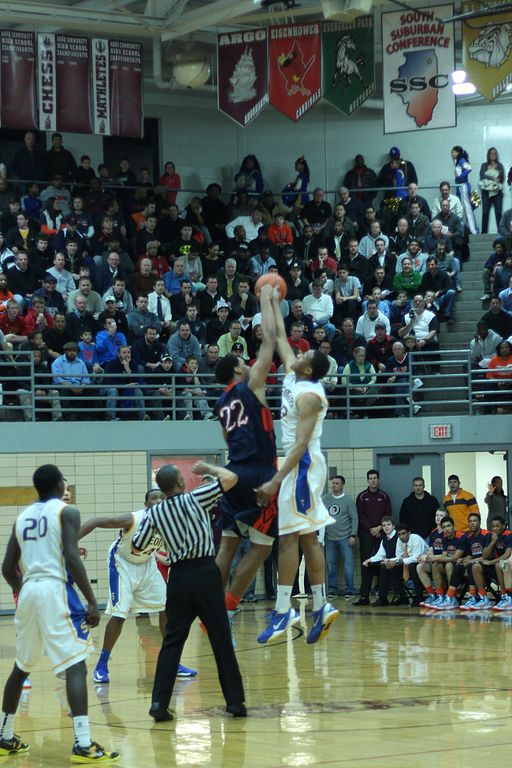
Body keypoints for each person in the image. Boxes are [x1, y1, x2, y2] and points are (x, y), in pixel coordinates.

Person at [0, 464, 118, 761]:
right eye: (64, 481)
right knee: (76, 665)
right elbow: (70, 557)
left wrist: (26, 589)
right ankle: (83, 742)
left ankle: (4, 735)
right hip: (54, 590)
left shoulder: (22, 517)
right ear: (57, 484)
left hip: (28, 591)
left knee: (21, 666)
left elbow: (6, 568)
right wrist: (92, 601)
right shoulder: (67, 511)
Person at [131, 461, 246, 722]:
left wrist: (167, 542)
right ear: (181, 483)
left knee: (172, 642)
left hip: (179, 576)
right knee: (220, 638)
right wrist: (209, 468)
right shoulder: (196, 498)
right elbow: (232, 478)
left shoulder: (154, 513)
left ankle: (159, 703)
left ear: (160, 488)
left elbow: (138, 545)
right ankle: (235, 702)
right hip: (205, 573)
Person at [255, 290, 338, 645]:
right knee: (306, 537)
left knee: (288, 537)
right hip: (299, 463)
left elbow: (302, 445)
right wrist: (270, 301)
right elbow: (276, 337)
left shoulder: (309, 396)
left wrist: (275, 480)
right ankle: (320, 605)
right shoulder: (295, 374)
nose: (298, 352)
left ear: (308, 369)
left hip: (301, 463)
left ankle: (283, 610)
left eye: (303, 355)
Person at [212, 285, 278, 636]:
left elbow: (227, 441)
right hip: (259, 472)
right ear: (238, 371)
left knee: (228, 544)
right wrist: (266, 301)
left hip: (233, 472)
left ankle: (210, 605)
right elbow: (269, 341)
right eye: (243, 361)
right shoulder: (251, 384)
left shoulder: (221, 404)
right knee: (262, 547)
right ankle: (229, 607)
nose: (247, 362)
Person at [79, 489, 196, 685]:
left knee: (167, 608)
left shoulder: (169, 522)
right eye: (153, 498)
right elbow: (96, 521)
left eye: (161, 497)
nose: (158, 500)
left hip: (147, 564)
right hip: (122, 563)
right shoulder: (133, 519)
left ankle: (173, 663)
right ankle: (101, 665)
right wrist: (68, 542)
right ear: (146, 504)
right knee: (120, 614)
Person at [354, 469, 392, 605]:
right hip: (366, 535)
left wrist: (379, 527)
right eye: (370, 478)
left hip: (382, 534)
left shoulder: (384, 496)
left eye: (375, 478)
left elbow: (388, 514)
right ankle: (364, 596)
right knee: (366, 564)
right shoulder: (362, 496)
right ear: (367, 480)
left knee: (382, 563)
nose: (373, 480)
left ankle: (381, 596)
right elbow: (360, 514)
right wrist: (371, 528)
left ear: (378, 480)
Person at [323, 476, 357, 598]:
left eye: (337, 483)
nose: (334, 485)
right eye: (333, 483)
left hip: (345, 537)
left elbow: (354, 518)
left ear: (342, 485)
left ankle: (350, 589)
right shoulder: (325, 499)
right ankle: (332, 589)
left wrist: (353, 534)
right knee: (331, 564)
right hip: (330, 538)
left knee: (348, 564)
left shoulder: (348, 500)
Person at [452, 145, 479, 235]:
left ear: (458, 152)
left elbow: (469, 168)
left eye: (453, 152)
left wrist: (460, 177)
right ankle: (467, 229)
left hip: (463, 186)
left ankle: (473, 230)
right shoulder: (458, 162)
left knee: (468, 209)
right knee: (461, 208)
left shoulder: (462, 161)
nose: (452, 154)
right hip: (460, 187)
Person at [479, 147, 505, 234]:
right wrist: (493, 177)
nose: (493, 155)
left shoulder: (500, 165)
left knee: (498, 213)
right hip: (486, 192)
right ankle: (484, 233)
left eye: (495, 153)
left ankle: (501, 232)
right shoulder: (484, 165)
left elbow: (502, 179)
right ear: (488, 155)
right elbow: (482, 176)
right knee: (485, 213)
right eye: (491, 153)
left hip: (497, 192)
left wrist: (490, 177)